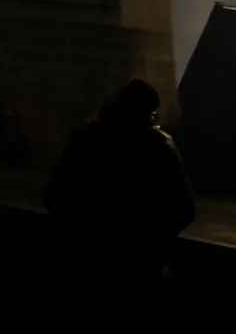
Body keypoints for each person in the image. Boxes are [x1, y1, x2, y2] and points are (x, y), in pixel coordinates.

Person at [44, 79, 196, 328]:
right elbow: (184, 209)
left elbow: (55, 195)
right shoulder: (159, 147)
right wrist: (155, 241)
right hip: (141, 271)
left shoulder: (86, 139)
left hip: (88, 266)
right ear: (149, 110)